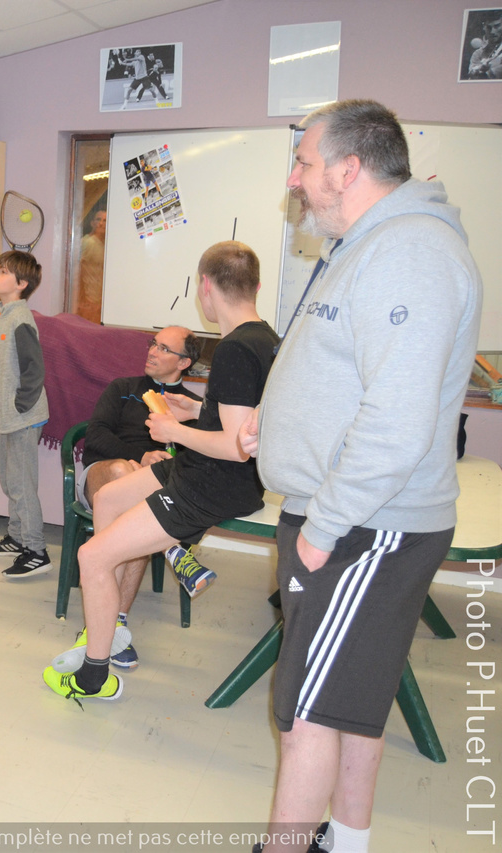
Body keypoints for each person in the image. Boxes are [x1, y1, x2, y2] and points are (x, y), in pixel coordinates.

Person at [242, 100, 481, 853]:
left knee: (307, 713)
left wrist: (321, 528)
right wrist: (274, 422)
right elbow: (340, 370)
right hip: (353, 518)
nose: (294, 178)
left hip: (363, 526)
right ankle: (344, 842)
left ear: (348, 170)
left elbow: (398, 424)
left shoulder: (410, 251)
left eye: (304, 162)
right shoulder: (363, 244)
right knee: (348, 704)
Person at [43, 241, 278, 702]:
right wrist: (198, 411)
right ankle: (112, 624)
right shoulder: (266, 338)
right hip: (206, 471)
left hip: (213, 483)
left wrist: (173, 429)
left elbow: (237, 449)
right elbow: (244, 420)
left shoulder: (233, 349)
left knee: (92, 557)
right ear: (256, 286)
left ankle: (94, 677)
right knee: (108, 497)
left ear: (205, 287)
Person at [77, 324, 204, 670]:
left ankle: (114, 624)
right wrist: (140, 457)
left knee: (139, 518)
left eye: (164, 348)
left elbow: (197, 459)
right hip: (103, 476)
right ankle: (173, 550)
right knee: (124, 475)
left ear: (184, 363)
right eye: (153, 344)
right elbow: (95, 436)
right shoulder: (123, 388)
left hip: (148, 494)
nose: (152, 351)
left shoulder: (191, 408)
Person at [0, 251, 50, 578]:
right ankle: (17, 537)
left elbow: (34, 370)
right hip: (9, 416)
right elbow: (4, 372)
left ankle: (36, 550)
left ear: (21, 284)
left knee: (22, 485)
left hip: (24, 418)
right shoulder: (4, 314)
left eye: (4, 271)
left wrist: (19, 408)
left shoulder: (20, 318)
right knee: (10, 480)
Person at [76, 210, 105, 322]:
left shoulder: (104, 244)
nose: (101, 223)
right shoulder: (88, 242)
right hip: (89, 303)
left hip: (99, 302)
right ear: (92, 223)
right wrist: (82, 300)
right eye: (98, 219)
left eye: (105, 220)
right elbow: (76, 271)